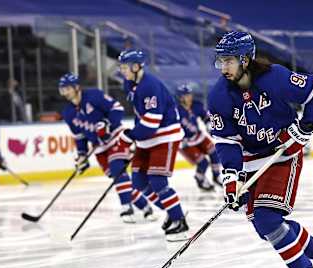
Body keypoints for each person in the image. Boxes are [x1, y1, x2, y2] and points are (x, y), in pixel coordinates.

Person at [208, 31, 313, 268]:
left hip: (282, 154)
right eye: (220, 61)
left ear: (245, 59)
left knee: (268, 218)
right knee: (265, 226)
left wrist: (306, 126)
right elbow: (226, 141)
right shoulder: (218, 95)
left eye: (229, 61)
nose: (223, 68)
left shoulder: (276, 78)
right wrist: (231, 178)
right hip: (250, 161)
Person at [59, 73, 155, 223]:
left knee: (118, 170)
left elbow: (117, 108)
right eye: (62, 90)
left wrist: (107, 124)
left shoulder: (94, 95)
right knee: (118, 179)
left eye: (67, 89)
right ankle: (145, 207)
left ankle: (126, 206)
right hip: (99, 148)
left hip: (116, 137)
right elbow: (79, 137)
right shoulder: (68, 113)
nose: (65, 92)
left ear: (76, 87)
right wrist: (82, 155)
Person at [117, 49, 189, 242]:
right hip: (147, 139)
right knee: (139, 182)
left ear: (136, 66)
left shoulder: (150, 85)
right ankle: (171, 211)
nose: (122, 71)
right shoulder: (130, 83)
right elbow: (141, 117)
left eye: (125, 67)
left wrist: (130, 135)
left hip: (165, 136)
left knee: (157, 181)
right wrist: (133, 135)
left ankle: (179, 220)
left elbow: (152, 121)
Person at [176, 83, 222, 191]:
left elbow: (206, 117)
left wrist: (209, 125)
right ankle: (200, 178)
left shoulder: (196, 105)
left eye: (190, 94)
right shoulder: (175, 111)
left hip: (198, 135)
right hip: (185, 142)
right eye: (186, 95)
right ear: (180, 97)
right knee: (203, 162)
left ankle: (216, 176)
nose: (189, 97)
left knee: (214, 152)